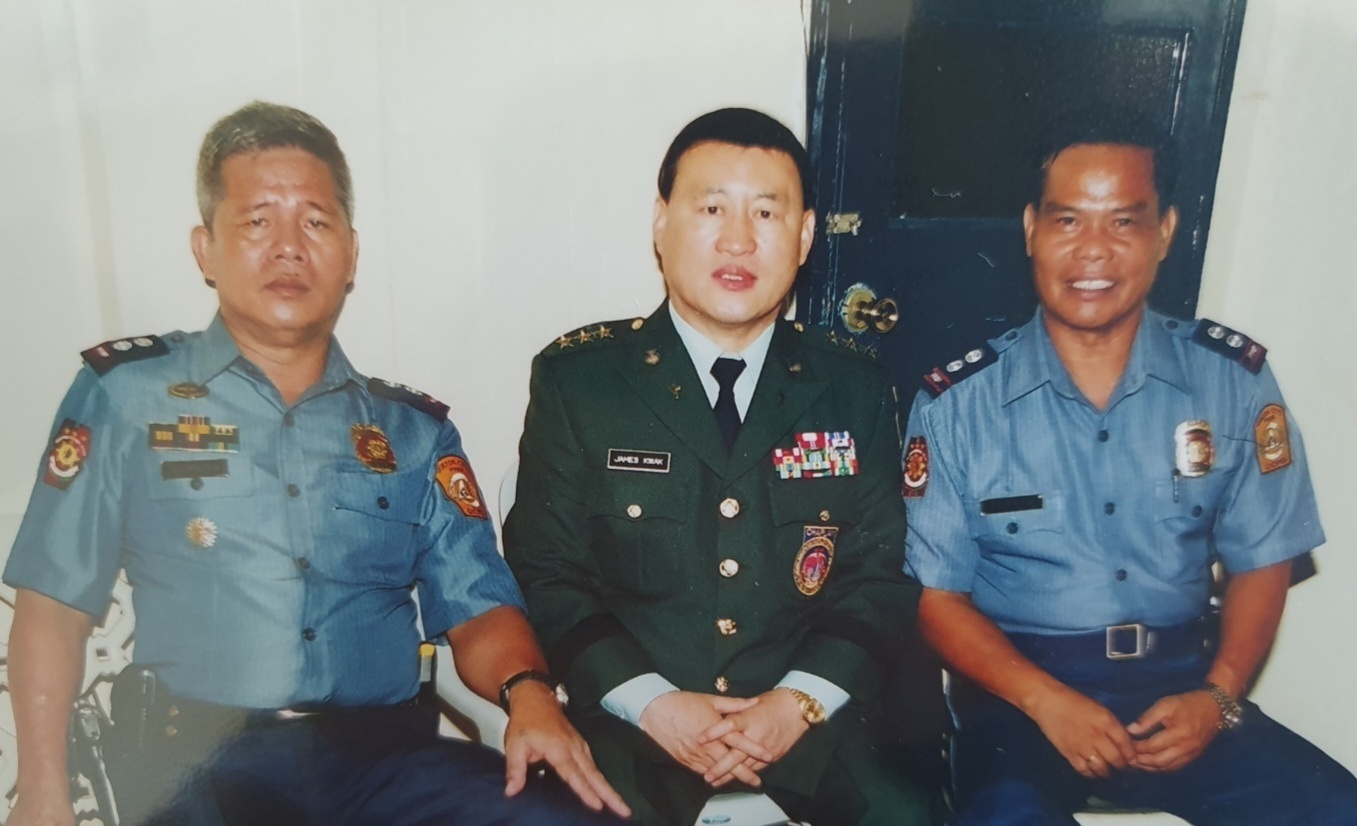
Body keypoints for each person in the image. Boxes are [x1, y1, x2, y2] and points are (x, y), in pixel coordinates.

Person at [3, 101, 629, 826]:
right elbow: (54, 608)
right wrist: (42, 792)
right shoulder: (126, 395)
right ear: (206, 249)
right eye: (257, 221)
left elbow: (479, 609)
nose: (289, 248)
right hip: (196, 765)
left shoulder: (412, 432)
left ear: (351, 254)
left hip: (384, 764)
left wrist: (529, 693)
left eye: (315, 222)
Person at [902, 110, 1357, 825]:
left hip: (1185, 685)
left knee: (1335, 808)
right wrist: (1046, 701)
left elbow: (1264, 558)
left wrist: (1218, 696)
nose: (1093, 251)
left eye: (1122, 222)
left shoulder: (1231, 383)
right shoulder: (958, 406)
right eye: (1067, 221)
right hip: (1019, 699)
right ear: (1030, 230)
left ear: (1164, 232)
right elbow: (937, 600)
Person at [503, 107, 931, 826]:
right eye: (711, 209)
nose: (738, 239)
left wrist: (797, 703)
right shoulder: (581, 383)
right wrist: (652, 704)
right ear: (660, 222)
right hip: (635, 734)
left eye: (766, 212)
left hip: (816, 733)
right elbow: (547, 572)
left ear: (804, 236)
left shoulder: (853, 387)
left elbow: (878, 577)